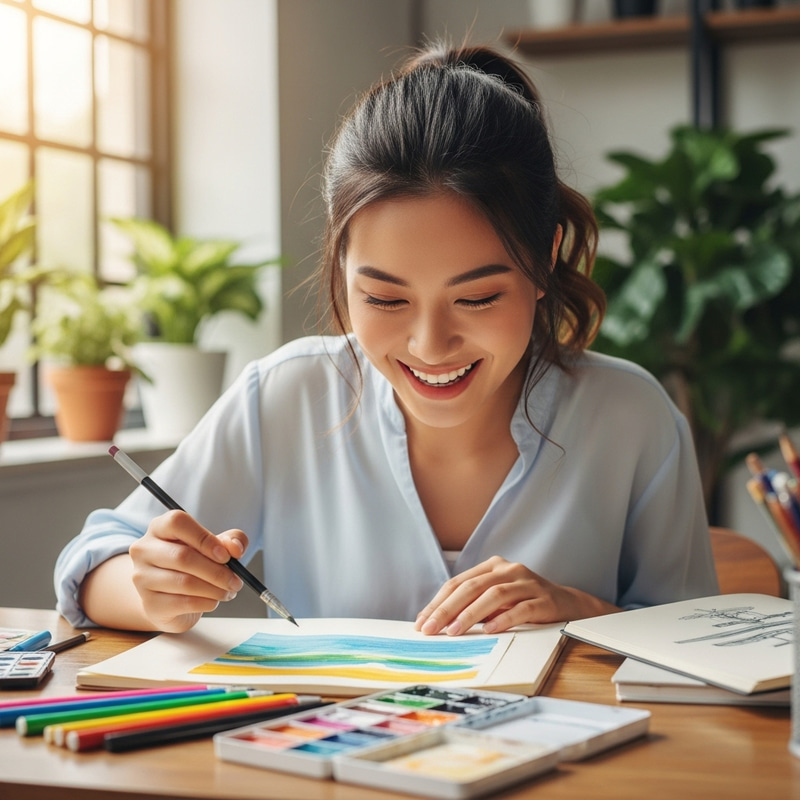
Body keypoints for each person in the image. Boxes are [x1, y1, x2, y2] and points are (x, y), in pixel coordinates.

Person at [54, 42, 718, 636]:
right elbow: (90, 564)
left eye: (478, 297)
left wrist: (583, 613)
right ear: (341, 271)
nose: (431, 344)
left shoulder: (633, 417)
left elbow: (703, 638)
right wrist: (152, 589)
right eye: (385, 298)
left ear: (544, 262)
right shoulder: (286, 396)